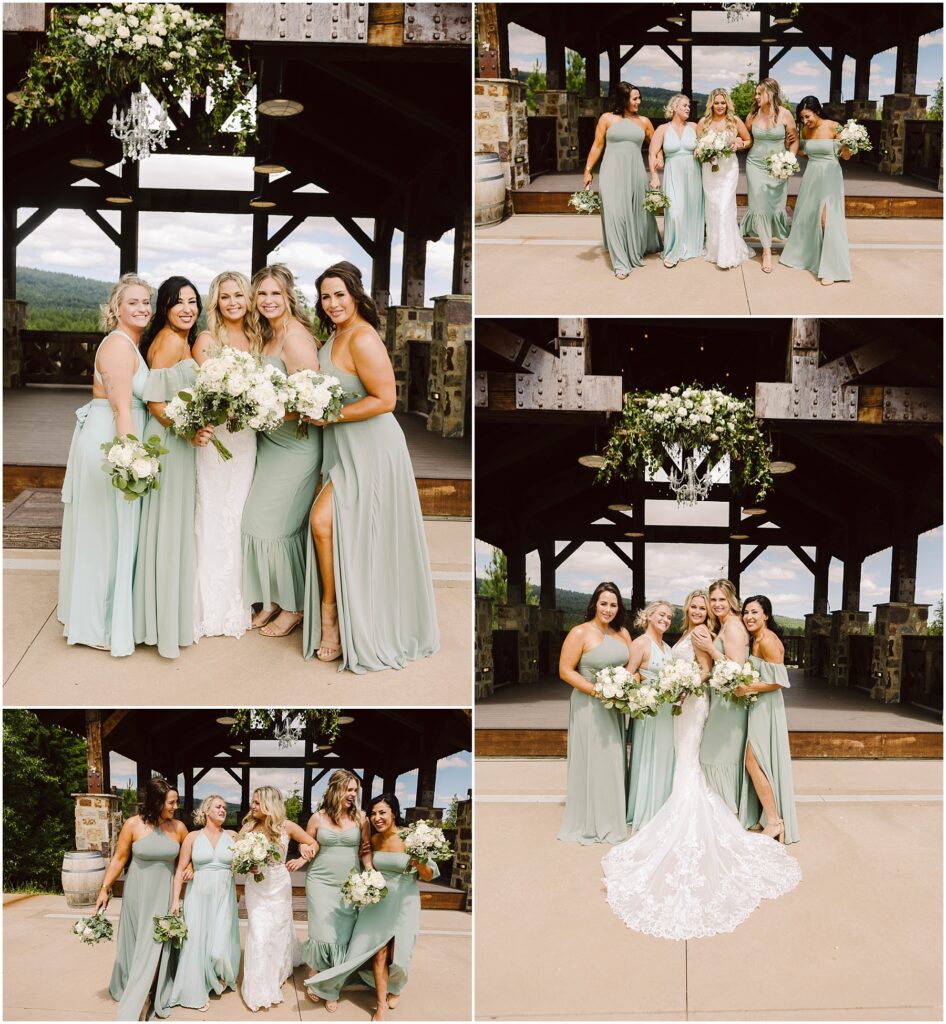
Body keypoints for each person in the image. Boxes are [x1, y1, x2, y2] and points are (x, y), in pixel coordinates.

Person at [601, 593, 801, 940]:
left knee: (690, 759)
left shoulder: (705, 635)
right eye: (692, 606)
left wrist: (685, 685)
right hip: (680, 704)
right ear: (685, 610)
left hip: (692, 704)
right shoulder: (681, 635)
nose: (696, 611)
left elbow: (706, 672)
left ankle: (701, 808)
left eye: (702, 607)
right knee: (682, 758)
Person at [302, 261, 439, 672]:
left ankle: (336, 617)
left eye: (339, 295)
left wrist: (330, 416)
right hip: (344, 447)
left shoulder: (362, 338)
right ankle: (341, 612)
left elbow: (386, 400)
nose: (332, 304)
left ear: (356, 294)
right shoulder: (335, 334)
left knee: (323, 522)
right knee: (339, 527)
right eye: (325, 297)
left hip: (373, 447)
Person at [58, 273, 152, 656]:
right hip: (109, 445)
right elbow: (121, 410)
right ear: (115, 310)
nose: (142, 308)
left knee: (110, 532)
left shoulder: (129, 343)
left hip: (111, 438)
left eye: (146, 301)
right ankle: (97, 624)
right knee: (105, 534)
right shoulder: (116, 346)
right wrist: (130, 459)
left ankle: (98, 616)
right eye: (133, 302)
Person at [240, 265, 322, 638]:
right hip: (270, 445)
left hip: (296, 446)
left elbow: (311, 402)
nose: (268, 300)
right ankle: (272, 599)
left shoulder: (296, 338)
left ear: (289, 296)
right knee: (258, 524)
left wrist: (264, 410)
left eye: (275, 293)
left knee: (272, 525)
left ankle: (295, 606)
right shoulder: (268, 336)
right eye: (261, 294)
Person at [304, 794, 439, 1020]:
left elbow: (428, 876)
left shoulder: (411, 838)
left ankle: (395, 988)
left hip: (404, 901)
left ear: (394, 813)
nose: (377, 818)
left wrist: (419, 861)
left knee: (399, 953)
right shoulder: (374, 840)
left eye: (382, 812)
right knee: (377, 953)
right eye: (374, 813)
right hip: (378, 901)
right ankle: (379, 1005)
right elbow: (363, 859)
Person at [133, 276, 212, 659]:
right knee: (166, 528)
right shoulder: (167, 341)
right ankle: (160, 623)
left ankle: (165, 616)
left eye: (192, 301)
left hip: (179, 442)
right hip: (167, 443)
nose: (187, 308)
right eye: (178, 302)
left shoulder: (183, 340)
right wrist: (188, 432)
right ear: (165, 307)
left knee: (174, 527)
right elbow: (155, 404)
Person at [193, 271, 260, 640]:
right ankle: (206, 604)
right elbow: (202, 393)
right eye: (225, 296)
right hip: (216, 441)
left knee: (238, 516)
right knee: (211, 512)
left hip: (246, 440)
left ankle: (238, 600)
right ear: (215, 302)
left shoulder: (257, 337)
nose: (232, 302)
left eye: (238, 295)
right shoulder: (206, 339)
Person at [94, 778, 187, 1020]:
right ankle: (134, 985)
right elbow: (119, 858)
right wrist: (105, 888)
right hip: (137, 893)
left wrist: (192, 871)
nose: (175, 806)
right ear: (157, 803)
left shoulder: (178, 828)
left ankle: (146, 995)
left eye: (176, 802)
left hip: (164, 894)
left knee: (155, 942)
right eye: (171, 802)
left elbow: (190, 859)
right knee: (136, 944)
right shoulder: (133, 825)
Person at [557, 581, 633, 845]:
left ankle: (612, 815)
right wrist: (597, 691)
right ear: (594, 604)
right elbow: (566, 671)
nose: (608, 609)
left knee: (612, 757)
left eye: (613, 605)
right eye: (604, 604)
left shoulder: (622, 633)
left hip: (614, 706)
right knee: (592, 758)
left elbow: (632, 666)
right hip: (589, 704)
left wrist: (627, 689)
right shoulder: (579, 632)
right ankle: (590, 817)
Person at [157, 795, 241, 1015]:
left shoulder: (233, 836)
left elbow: (242, 864)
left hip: (224, 896)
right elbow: (179, 871)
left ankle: (218, 974)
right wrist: (176, 900)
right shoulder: (193, 837)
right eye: (218, 807)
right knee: (196, 942)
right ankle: (196, 987)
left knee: (219, 944)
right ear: (206, 811)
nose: (223, 810)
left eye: (224, 807)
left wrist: (251, 867)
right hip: (198, 897)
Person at [239, 786, 317, 1011]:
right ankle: (258, 986)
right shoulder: (248, 827)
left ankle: (277, 971)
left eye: (256, 803)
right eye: (252, 802)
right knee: (259, 933)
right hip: (256, 886)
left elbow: (313, 843)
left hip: (279, 883)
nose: (252, 806)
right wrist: (247, 865)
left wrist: (301, 859)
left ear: (268, 805)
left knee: (278, 929)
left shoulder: (287, 826)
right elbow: (237, 855)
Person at [302, 770, 373, 1011]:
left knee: (341, 937)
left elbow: (364, 849)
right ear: (335, 789)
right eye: (349, 789)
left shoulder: (362, 818)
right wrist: (304, 849)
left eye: (355, 790)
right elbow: (306, 842)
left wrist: (370, 873)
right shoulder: (317, 818)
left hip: (349, 886)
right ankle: (316, 973)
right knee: (322, 932)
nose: (353, 794)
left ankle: (330, 984)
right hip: (320, 881)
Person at [582, 82, 661, 278]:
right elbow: (597, 146)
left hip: (635, 173)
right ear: (623, 99)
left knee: (636, 214)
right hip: (611, 172)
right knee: (614, 214)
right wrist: (588, 169)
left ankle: (638, 246)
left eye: (639, 98)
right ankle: (620, 263)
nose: (638, 102)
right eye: (634, 98)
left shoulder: (644, 121)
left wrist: (658, 156)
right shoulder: (606, 118)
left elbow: (656, 145)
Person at [739, 595, 800, 843]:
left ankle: (774, 821)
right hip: (757, 705)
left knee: (752, 761)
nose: (749, 617)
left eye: (755, 612)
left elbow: (780, 681)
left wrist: (749, 688)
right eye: (746, 612)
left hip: (766, 708)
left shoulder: (767, 640)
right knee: (757, 762)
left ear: (766, 615)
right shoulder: (755, 639)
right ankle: (768, 817)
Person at [779, 95, 853, 284]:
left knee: (826, 219)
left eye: (808, 116)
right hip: (812, 176)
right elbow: (807, 153)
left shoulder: (833, 126)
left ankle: (832, 269)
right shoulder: (806, 130)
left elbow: (846, 156)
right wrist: (790, 145)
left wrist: (849, 145)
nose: (805, 121)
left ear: (817, 111)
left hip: (830, 176)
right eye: (802, 118)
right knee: (809, 216)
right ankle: (809, 257)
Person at [693, 578, 751, 812]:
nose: (717, 604)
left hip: (730, 704)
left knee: (715, 755)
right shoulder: (723, 625)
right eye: (713, 600)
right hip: (721, 700)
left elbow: (736, 670)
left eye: (722, 600)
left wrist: (710, 649)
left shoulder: (734, 626)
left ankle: (725, 810)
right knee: (713, 755)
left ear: (731, 601)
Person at [625, 601, 676, 830]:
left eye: (669, 617)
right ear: (649, 616)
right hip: (648, 710)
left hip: (667, 711)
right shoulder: (640, 643)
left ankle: (663, 805)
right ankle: (646, 808)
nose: (665, 620)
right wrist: (643, 686)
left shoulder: (666, 646)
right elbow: (628, 676)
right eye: (661, 615)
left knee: (665, 756)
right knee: (648, 756)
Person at [740, 78, 798, 274]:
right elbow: (745, 138)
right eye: (755, 94)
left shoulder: (785, 114)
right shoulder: (751, 116)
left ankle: (770, 239)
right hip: (755, 165)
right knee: (759, 205)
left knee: (774, 206)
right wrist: (736, 141)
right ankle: (766, 250)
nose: (756, 97)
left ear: (770, 94)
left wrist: (789, 159)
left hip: (778, 167)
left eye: (759, 93)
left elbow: (794, 141)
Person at [697, 89, 753, 269]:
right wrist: (704, 152)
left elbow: (748, 140)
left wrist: (740, 143)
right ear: (711, 104)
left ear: (727, 103)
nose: (720, 106)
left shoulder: (734, 121)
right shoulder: (704, 123)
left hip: (729, 169)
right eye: (716, 103)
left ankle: (727, 253)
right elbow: (699, 147)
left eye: (723, 102)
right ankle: (715, 249)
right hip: (710, 170)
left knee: (724, 208)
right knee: (713, 208)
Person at [648, 93, 704, 267]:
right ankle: (673, 250)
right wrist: (654, 175)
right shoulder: (662, 129)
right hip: (673, 174)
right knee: (675, 212)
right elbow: (651, 152)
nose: (688, 108)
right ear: (673, 108)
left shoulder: (695, 126)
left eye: (689, 106)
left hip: (693, 173)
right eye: (684, 105)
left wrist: (701, 148)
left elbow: (707, 143)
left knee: (692, 210)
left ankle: (690, 246)